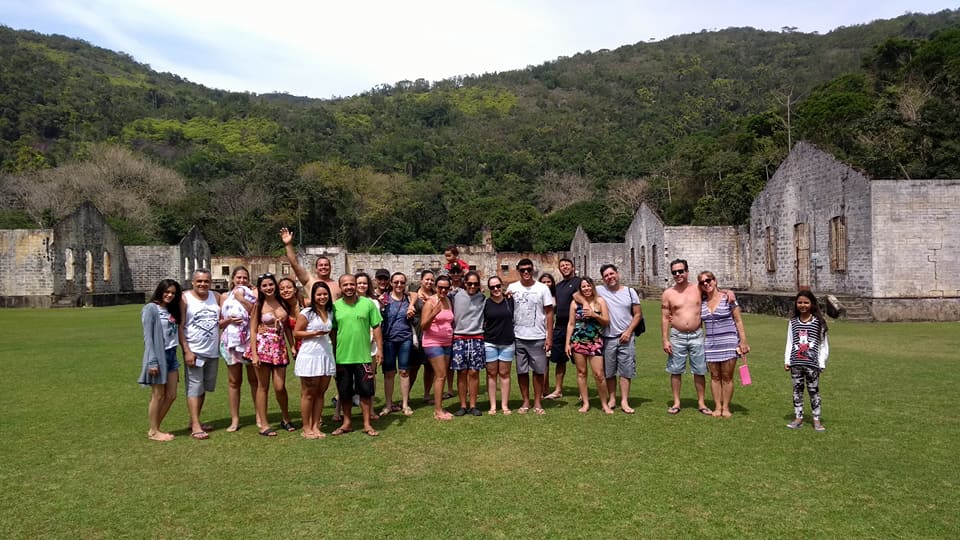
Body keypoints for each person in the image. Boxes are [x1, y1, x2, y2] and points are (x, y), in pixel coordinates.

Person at [332, 274, 384, 437]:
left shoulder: (368, 304)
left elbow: (376, 327)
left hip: (363, 356)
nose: (349, 287)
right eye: (345, 284)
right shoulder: (335, 307)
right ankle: (347, 423)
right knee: (345, 392)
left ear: (356, 285)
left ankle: (367, 424)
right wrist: (333, 351)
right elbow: (333, 331)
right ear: (340, 287)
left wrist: (380, 350)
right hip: (342, 357)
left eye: (351, 284)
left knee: (366, 392)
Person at [661, 259, 711, 415]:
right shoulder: (668, 293)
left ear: (687, 272)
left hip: (697, 334)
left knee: (700, 370)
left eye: (680, 271)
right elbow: (664, 317)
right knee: (675, 370)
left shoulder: (698, 288)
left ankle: (701, 403)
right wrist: (665, 340)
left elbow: (714, 290)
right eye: (674, 272)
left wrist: (728, 292)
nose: (678, 275)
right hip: (677, 335)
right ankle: (676, 402)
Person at [698, 271, 750, 418]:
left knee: (727, 377)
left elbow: (738, 320)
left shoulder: (728, 298)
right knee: (715, 377)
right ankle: (717, 406)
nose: (706, 284)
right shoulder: (701, 302)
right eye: (702, 282)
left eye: (708, 280)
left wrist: (743, 341)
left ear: (715, 280)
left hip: (728, 341)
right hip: (711, 343)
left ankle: (726, 407)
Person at [507, 258, 554, 415]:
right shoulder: (512, 288)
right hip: (519, 336)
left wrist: (549, 337)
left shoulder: (542, 289)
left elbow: (549, 313)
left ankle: (538, 402)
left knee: (539, 371)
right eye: (522, 270)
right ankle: (526, 401)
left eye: (528, 269)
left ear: (533, 270)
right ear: (518, 271)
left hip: (538, 336)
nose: (526, 272)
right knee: (522, 371)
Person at [249, 273, 293, 437]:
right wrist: (254, 354)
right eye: (264, 285)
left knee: (280, 386)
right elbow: (253, 330)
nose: (268, 288)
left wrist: (293, 345)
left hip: (279, 347)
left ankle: (286, 418)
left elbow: (287, 327)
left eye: (270, 284)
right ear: (260, 288)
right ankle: (264, 424)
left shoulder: (282, 302)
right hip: (263, 348)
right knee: (263, 386)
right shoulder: (258, 304)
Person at [179, 269, 221, 440]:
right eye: (199, 281)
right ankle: (196, 426)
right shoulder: (185, 298)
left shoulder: (216, 297)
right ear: (193, 282)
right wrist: (187, 351)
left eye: (206, 281)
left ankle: (194, 420)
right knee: (194, 386)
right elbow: (180, 327)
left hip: (212, 350)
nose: (203, 284)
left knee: (203, 387)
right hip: (195, 350)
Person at [595, 264, 643, 414]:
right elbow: (577, 293)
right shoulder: (599, 291)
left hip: (626, 337)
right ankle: (612, 398)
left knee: (625, 370)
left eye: (611, 274)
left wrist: (628, 331)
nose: (610, 277)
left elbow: (637, 314)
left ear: (617, 273)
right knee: (609, 371)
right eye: (606, 276)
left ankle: (624, 400)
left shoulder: (630, 292)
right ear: (603, 279)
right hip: (608, 337)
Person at [139, 279, 182, 441]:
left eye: (173, 293)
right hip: (158, 355)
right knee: (158, 395)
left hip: (172, 355)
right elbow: (148, 338)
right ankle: (155, 430)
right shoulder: (151, 309)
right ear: (160, 291)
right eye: (167, 292)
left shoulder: (171, 309)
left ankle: (154, 427)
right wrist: (152, 361)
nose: (170, 295)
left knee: (171, 395)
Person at [293, 281, 336, 439]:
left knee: (320, 392)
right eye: (319, 294)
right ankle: (306, 427)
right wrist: (314, 333)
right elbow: (297, 333)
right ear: (313, 296)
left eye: (325, 294)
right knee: (308, 393)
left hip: (325, 354)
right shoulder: (308, 313)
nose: (322, 297)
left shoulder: (330, 312)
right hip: (310, 355)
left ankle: (316, 425)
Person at [219, 266, 258, 432]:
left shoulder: (252, 294)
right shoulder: (224, 296)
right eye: (238, 278)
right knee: (234, 382)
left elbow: (255, 314)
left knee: (254, 381)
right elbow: (219, 323)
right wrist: (228, 321)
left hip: (249, 341)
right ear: (233, 279)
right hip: (231, 342)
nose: (241, 281)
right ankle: (235, 419)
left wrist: (242, 298)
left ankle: (259, 415)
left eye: (244, 278)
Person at [784, 290, 830, 432]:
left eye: (806, 302)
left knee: (813, 391)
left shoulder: (819, 323)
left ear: (812, 304)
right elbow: (790, 342)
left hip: (812, 364)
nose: (802, 305)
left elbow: (823, 344)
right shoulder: (793, 322)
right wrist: (787, 360)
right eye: (800, 302)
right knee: (797, 391)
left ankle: (816, 419)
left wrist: (821, 362)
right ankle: (799, 417)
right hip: (796, 362)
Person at [565, 277, 611, 414]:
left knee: (599, 374)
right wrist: (567, 343)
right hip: (578, 341)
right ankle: (585, 402)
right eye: (583, 287)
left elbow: (606, 321)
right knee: (581, 373)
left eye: (588, 286)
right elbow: (571, 324)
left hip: (595, 341)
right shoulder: (574, 304)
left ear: (592, 287)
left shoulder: (600, 301)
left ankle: (604, 403)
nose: (586, 289)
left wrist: (594, 315)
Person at [379, 272, 418, 417]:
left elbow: (415, 294)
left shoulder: (408, 298)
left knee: (404, 372)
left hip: (405, 339)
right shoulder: (385, 299)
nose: (399, 285)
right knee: (389, 373)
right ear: (391, 283)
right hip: (388, 340)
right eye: (396, 282)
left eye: (402, 282)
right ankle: (388, 404)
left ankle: (405, 404)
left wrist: (411, 307)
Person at [450, 270, 487, 417]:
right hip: (459, 338)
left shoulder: (482, 298)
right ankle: (463, 405)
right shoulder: (455, 295)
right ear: (465, 283)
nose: (472, 286)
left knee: (474, 372)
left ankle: (473, 405)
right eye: (469, 283)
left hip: (476, 337)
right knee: (462, 372)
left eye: (475, 284)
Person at [421, 275, 455, 420]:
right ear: (435, 287)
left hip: (446, 342)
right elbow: (423, 325)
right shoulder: (430, 302)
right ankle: (438, 410)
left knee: (443, 375)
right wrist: (433, 314)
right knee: (440, 375)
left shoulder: (448, 300)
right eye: (440, 287)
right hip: (432, 342)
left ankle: (440, 406)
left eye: (446, 288)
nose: (443, 290)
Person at [546, 259, 580, 400]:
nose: (565, 267)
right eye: (562, 266)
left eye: (567, 265)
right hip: (560, 327)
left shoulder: (579, 282)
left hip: (576, 326)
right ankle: (558, 389)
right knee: (560, 360)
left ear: (573, 267)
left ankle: (581, 391)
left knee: (579, 360)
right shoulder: (558, 286)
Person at [483, 275, 515, 415]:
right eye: (492, 287)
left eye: (498, 286)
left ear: (502, 285)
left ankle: (504, 405)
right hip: (490, 342)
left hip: (507, 342)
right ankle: (493, 406)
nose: (496, 289)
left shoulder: (510, 301)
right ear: (489, 289)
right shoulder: (486, 303)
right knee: (491, 374)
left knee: (504, 374)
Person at [280, 227, 340, 301]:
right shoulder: (309, 281)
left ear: (330, 267)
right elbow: (294, 264)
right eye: (320, 265)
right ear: (316, 269)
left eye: (326, 265)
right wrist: (288, 244)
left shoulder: (338, 285)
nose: (323, 267)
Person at [411, 270, 436, 403]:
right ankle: (406, 394)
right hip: (417, 334)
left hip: (432, 336)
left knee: (430, 368)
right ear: (421, 280)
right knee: (413, 367)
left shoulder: (436, 295)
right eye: (427, 279)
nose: (429, 282)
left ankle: (427, 394)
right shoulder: (414, 295)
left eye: (432, 280)